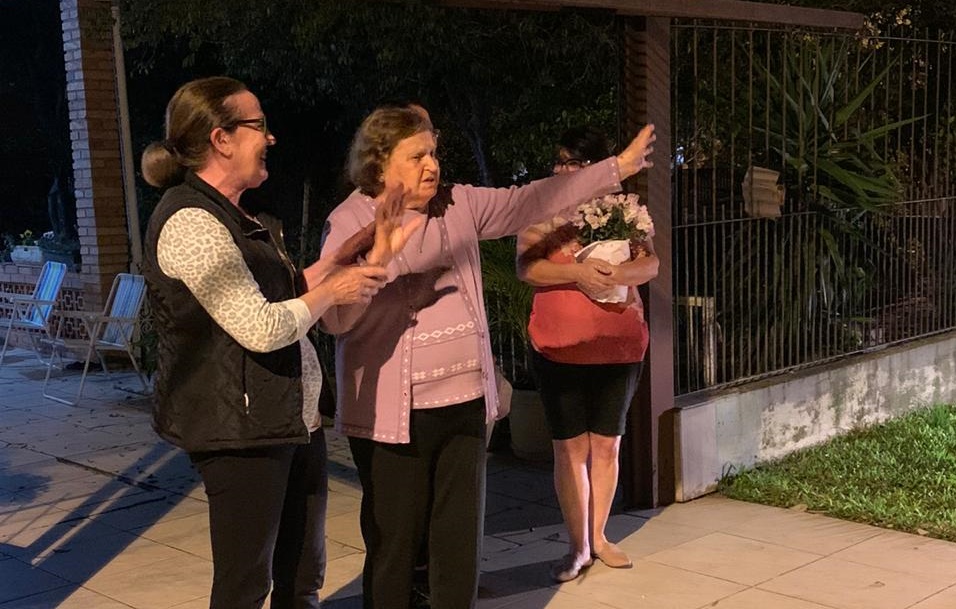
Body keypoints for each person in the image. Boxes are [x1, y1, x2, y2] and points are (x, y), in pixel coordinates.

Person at [319, 107, 655, 609]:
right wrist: (377, 260)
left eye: (433, 153)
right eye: (417, 156)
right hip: (393, 417)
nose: (432, 165)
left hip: (464, 401)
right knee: (396, 544)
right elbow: (335, 321)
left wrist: (616, 169)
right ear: (379, 164)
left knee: (458, 544)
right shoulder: (350, 220)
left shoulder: (458, 203)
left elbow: (531, 199)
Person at [140, 77, 420, 609]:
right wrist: (334, 290)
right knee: (246, 587)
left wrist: (347, 255)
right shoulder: (191, 222)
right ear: (221, 139)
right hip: (241, 433)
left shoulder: (238, 215)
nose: (271, 138)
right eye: (259, 125)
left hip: (287, 421)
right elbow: (261, 326)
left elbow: (286, 294)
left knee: (303, 576)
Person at [516, 126, 660, 583]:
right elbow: (527, 268)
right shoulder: (540, 208)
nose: (564, 170)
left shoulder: (623, 210)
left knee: (607, 446)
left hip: (619, 347)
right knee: (570, 449)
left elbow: (651, 263)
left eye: (575, 163)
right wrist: (578, 273)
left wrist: (617, 273)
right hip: (559, 347)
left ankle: (599, 536)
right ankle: (577, 545)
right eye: (559, 162)